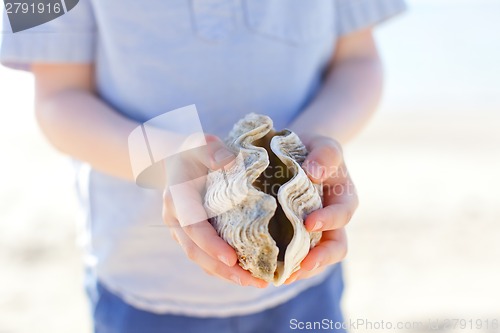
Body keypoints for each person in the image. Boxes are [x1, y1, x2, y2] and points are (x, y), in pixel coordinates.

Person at [1, 1, 406, 332]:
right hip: (142, 286)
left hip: (306, 275)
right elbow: (57, 101)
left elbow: (358, 60)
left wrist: (307, 146)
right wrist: (167, 159)